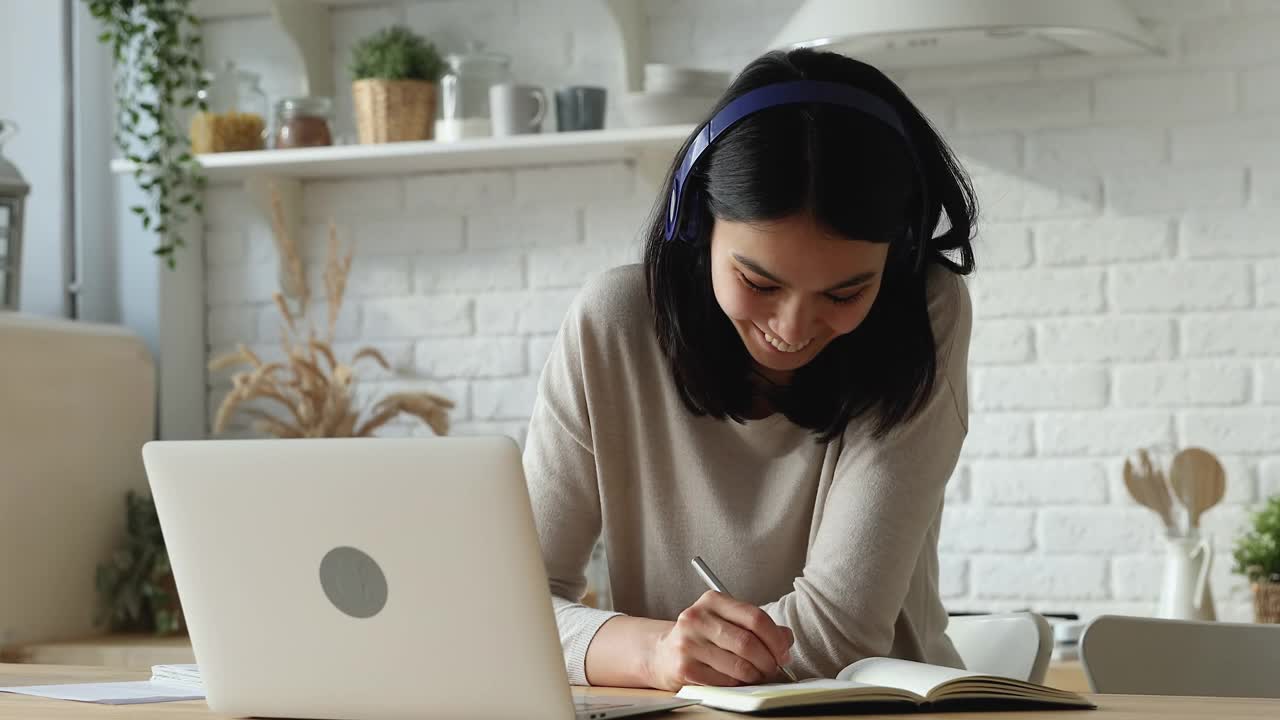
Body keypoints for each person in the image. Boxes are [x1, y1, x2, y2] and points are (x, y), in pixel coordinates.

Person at [522, 47, 978, 692]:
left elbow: (836, 642)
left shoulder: (922, 314)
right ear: (694, 223)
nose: (791, 330)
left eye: (844, 294)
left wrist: (637, 651)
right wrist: (656, 652)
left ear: (896, 263)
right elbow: (511, 609)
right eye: (758, 282)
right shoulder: (614, 324)